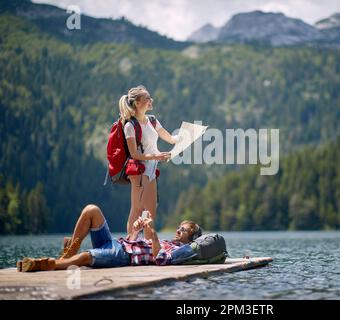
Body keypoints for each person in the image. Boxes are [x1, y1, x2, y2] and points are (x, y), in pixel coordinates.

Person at [16, 204, 202, 272]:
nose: (178, 231)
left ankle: (48, 264)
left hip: (123, 256)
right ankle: (67, 254)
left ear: (190, 238)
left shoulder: (178, 251)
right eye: (178, 228)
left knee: (86, 257)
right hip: (117, 243)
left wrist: (153, 235)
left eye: (183, 230)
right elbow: (131, 241)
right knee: (91, 210)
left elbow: (160, 260)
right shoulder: (169, 242)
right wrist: (136, 231)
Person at [118, 85, 181, 238]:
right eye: (147, 98)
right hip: (138, 170)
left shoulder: (152, 121)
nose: (151, 100)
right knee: (137, 209)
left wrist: (188, 135)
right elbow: (134, 154)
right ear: (137, 103)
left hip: (151, 169)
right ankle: (130, 244)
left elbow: (171, 139)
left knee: (150, 211)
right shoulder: (129, 126)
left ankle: (147, 244)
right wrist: (156, 156)